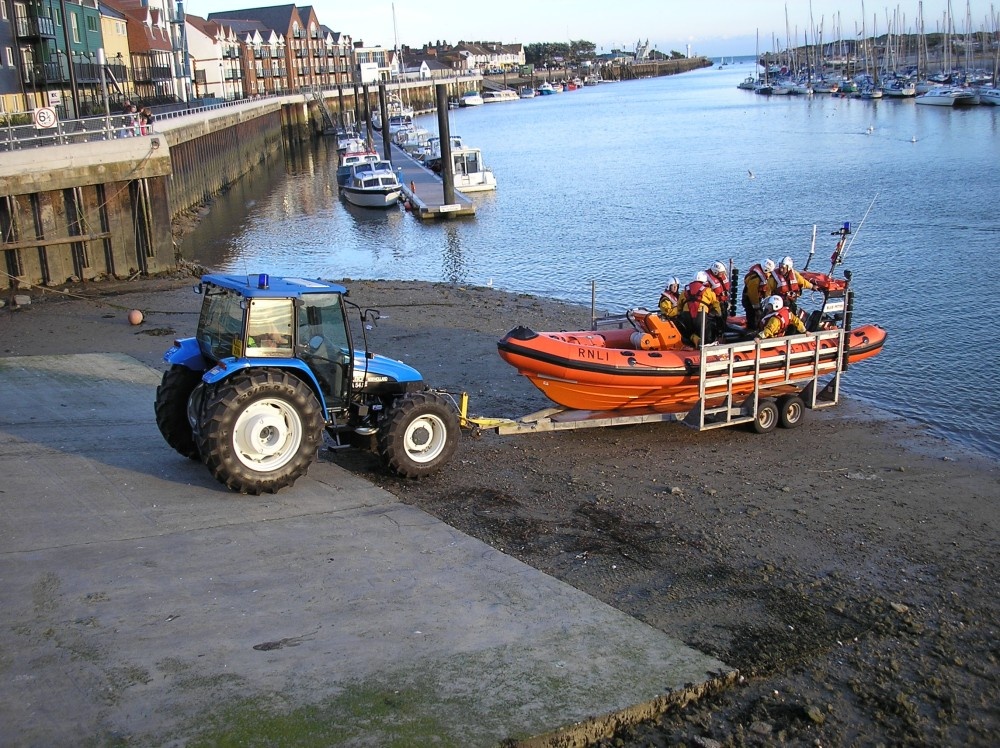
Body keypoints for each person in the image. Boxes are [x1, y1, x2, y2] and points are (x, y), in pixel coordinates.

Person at [678, 271, 722, 346]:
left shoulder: (685, 290)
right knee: (706, 336)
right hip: (701, 315)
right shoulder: (708, 290)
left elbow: (679, 305)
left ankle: (694, 339)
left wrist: (679, 314)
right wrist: (718, 314)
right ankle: (703, 344)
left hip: (686, 315)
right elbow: (716, 304)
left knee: (689, 333)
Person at [741, 258, 775, 330]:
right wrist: (756, 307)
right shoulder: (755, 279)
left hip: (756, 299)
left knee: (757, 315)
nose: (770, 274)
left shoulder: (761, 277)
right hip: (750, 301)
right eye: (769, 272)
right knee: (753, 317)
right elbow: (752, 294)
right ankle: (753, 331)